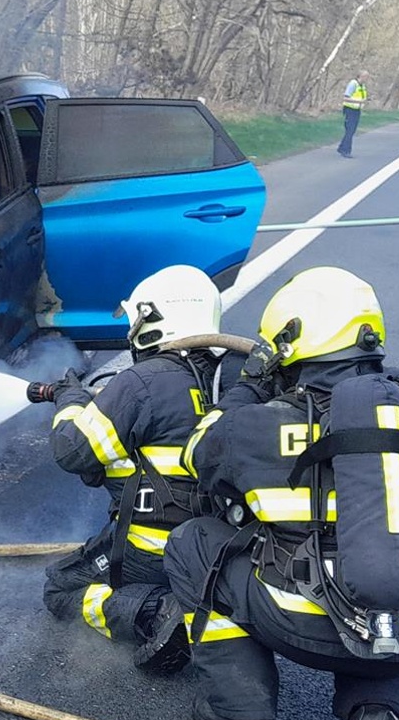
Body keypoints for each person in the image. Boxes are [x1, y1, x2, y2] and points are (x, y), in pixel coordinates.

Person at [164, 266, 399, 720]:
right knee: (387, 582)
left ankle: (240, 712)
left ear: (288, 343)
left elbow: (197, 456)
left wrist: (248, 389)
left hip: (298, 619)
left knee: (193, 543)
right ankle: (379, 713)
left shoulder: (257, 423)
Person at [34, 264, 243, 674]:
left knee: (61, 588)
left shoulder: (142, 382)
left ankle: (155, 612)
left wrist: (70, 399)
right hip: (227, 551)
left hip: (155, 554)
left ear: (155, 319)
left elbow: (71, 450)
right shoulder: (240, 379)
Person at [336, 70, 370, 158]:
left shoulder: (362, 86)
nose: (367, 79)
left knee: (352, 131)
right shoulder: (353, 84)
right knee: (350, 130)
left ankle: (341, 147)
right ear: (360, 76)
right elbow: (346, 98)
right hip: (350, 109)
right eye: (366, 77)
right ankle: (346, 150)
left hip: (356, 110)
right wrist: (359, 101)